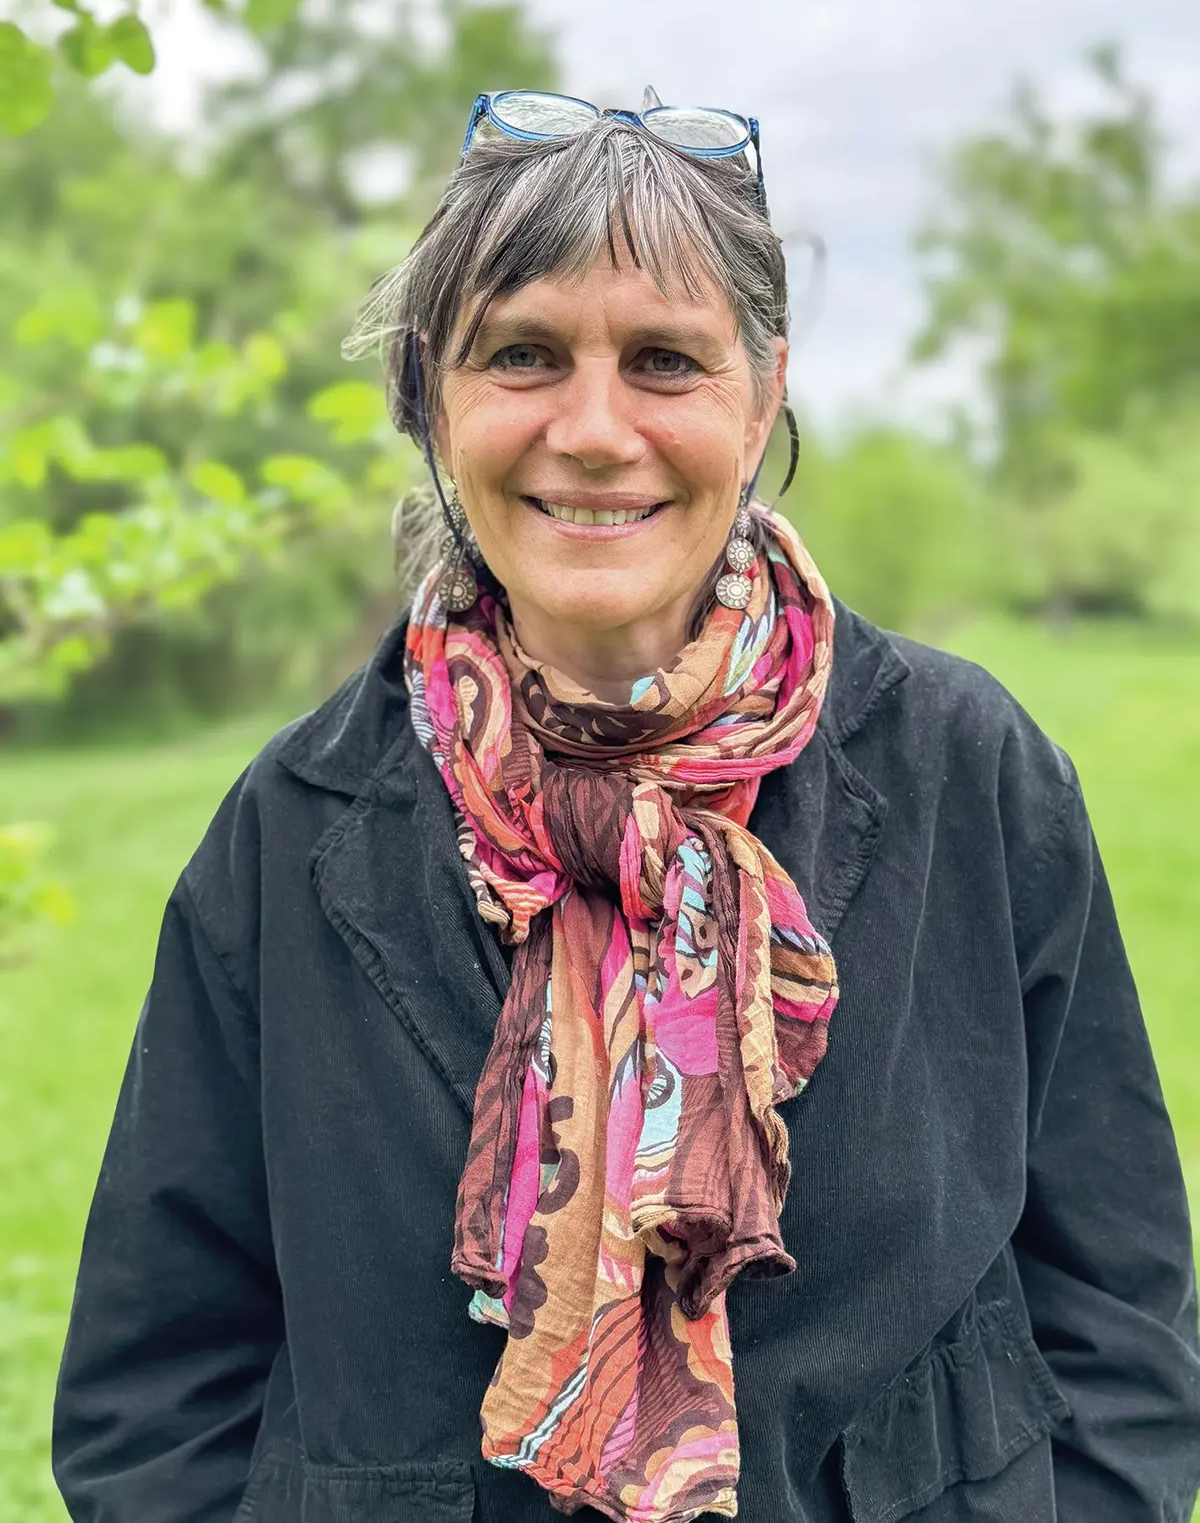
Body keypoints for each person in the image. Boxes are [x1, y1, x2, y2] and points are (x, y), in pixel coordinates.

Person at [53, 91, 1200, 1523]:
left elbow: (1120, 1313)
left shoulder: (972, 773)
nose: (594, 432)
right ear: (432, 393)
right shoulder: (292, 831)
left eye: (666, 361)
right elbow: (151, 1396)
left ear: (761, 397)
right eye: (523, 354)